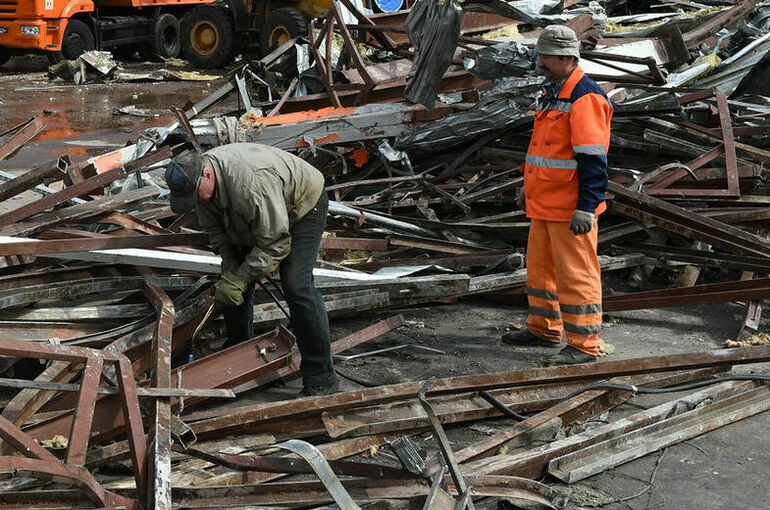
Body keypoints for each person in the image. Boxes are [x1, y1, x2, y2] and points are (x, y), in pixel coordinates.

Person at [164, 143, 338, 396]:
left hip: (302, 206)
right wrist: (231, 272)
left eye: (194, 195)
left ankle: (322, 377)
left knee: (297, 285)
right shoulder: (201, 184)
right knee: (231, 283)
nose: (195, 202)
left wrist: (240, 277)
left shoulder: (251, 185)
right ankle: (242, 357)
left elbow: (276, 243)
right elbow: (217, 233)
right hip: (260, 212)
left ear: (207, 175)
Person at [502, 25, 613, 364]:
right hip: (545, 203)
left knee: (576, 275)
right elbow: (544, 150)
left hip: (569, 208)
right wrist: (528, 185)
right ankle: (544, 328)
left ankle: (583, 345)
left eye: (546, 56)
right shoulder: (556, 92)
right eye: (540, 55)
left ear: (568, 57)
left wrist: (587, 206)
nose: (540, 62)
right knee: (541, 270)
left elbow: (593, 159)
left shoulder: (585, 96)